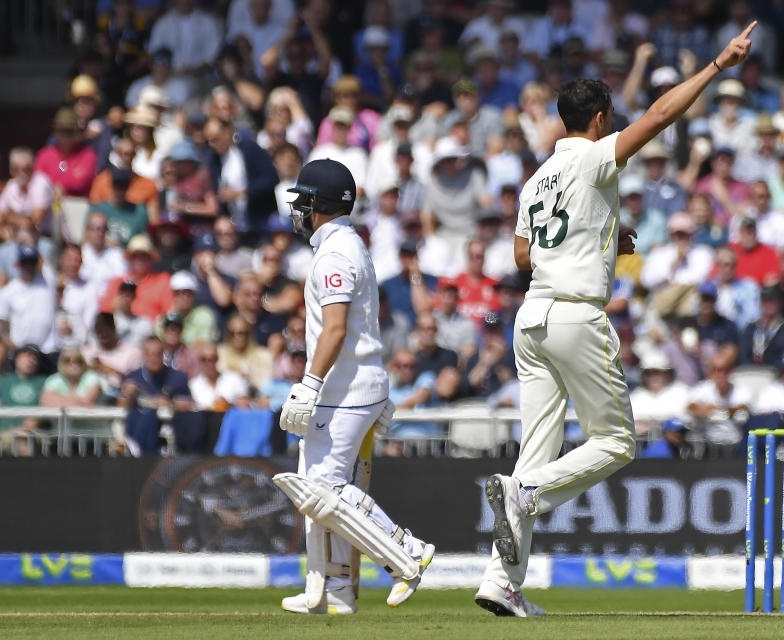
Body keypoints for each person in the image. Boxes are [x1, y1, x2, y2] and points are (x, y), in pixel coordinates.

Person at [474, 25, 757, 617]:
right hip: (576, 316)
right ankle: (525, 493)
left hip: (532, 319)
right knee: (616, 442)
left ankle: (501, 580)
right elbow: (657, 117)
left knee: (537, 450)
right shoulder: (595, 158)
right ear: (600, 118)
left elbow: (523, 256)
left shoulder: (534, 180)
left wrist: (604, 238)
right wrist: (716, 66)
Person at [273, 159, 434, 616]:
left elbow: (337, 329)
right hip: (354, 386)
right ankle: (334, 589)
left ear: (320, 205)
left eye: (304, 202)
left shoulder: (336, 254)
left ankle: (408, 551)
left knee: (322, 489)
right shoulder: (347, 244)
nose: (299, 211)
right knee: (321, 487)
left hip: (344, 391)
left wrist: (309, 385)